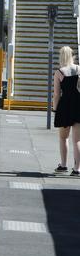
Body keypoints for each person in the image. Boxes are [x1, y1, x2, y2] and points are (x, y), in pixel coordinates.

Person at [53, 46, 80, 175]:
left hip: (65, 107)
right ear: (72, 55)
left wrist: (55, 108)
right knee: (78, 140)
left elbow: (57, 94)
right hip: (78, 106)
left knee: (64, 138)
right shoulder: (79, 69)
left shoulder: (59, 72)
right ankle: (77, 169)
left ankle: (63, 166)